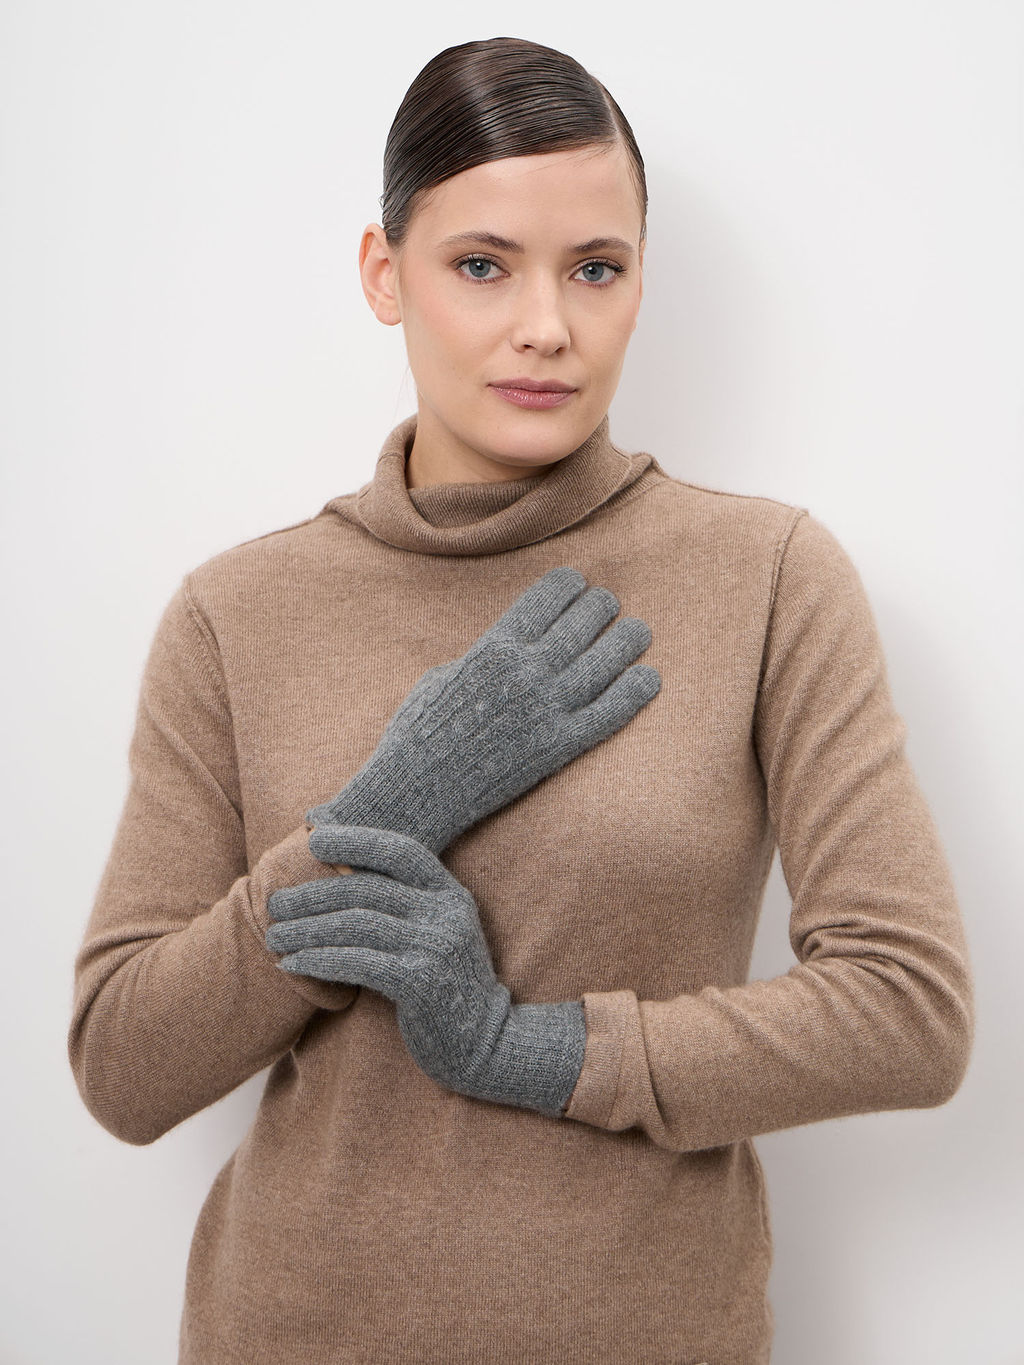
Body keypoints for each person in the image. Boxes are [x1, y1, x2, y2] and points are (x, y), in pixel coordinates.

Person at [67, 35, 976, 1365]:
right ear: (386, 274)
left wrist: (528, 1049)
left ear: (642, 281)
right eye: (482, 265)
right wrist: (387, 809)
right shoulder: (236, 611)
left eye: (595, 268)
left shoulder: (768, 576)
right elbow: (124, 1068)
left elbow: (909, 1009)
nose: (546, 324)